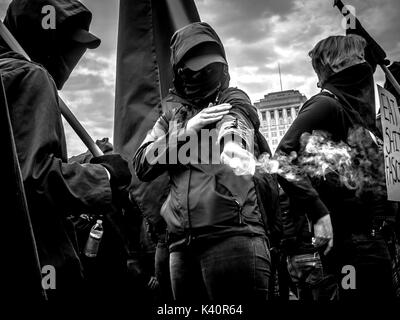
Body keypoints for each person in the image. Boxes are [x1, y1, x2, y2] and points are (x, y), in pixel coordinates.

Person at [134, 22, 280, 302]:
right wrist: (188, 131)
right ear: (180, 70)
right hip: (181, 247)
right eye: (194, 66)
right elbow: (142, 163)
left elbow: (237, 118)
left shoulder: (231, 98)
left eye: (209, 66)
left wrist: (233, 145)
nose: (202, 73)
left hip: (234, 237)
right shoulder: (169, 119)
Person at [2, 0, 131, 299]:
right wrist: (105, 176)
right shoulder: (30, 76)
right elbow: (36, 179)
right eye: (69, 45)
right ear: (44, 36)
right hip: (44, 260)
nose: (73, 59)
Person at [277, 34, 396, 300]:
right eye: (358, 59)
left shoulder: (356, 115)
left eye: (365, 60)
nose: (364, 65)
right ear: (340, 66)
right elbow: (282, 156)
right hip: (351, 248)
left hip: (376, 241)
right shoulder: (325, 104)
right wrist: (319, 214)